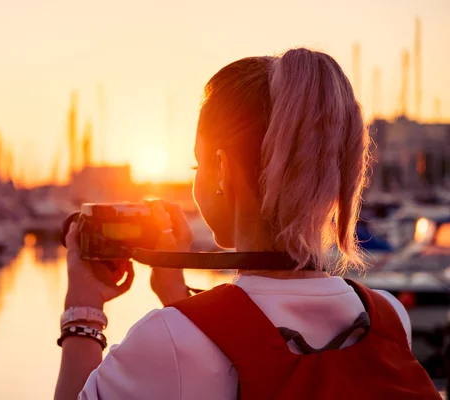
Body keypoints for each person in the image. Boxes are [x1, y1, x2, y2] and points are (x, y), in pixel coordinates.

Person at [54, 48, 439, 399]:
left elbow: (200, 360)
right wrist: (179, 297)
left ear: (221, 170)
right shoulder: (388, 320)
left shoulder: (165, 342)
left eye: (197, 164)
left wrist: (82, 311)